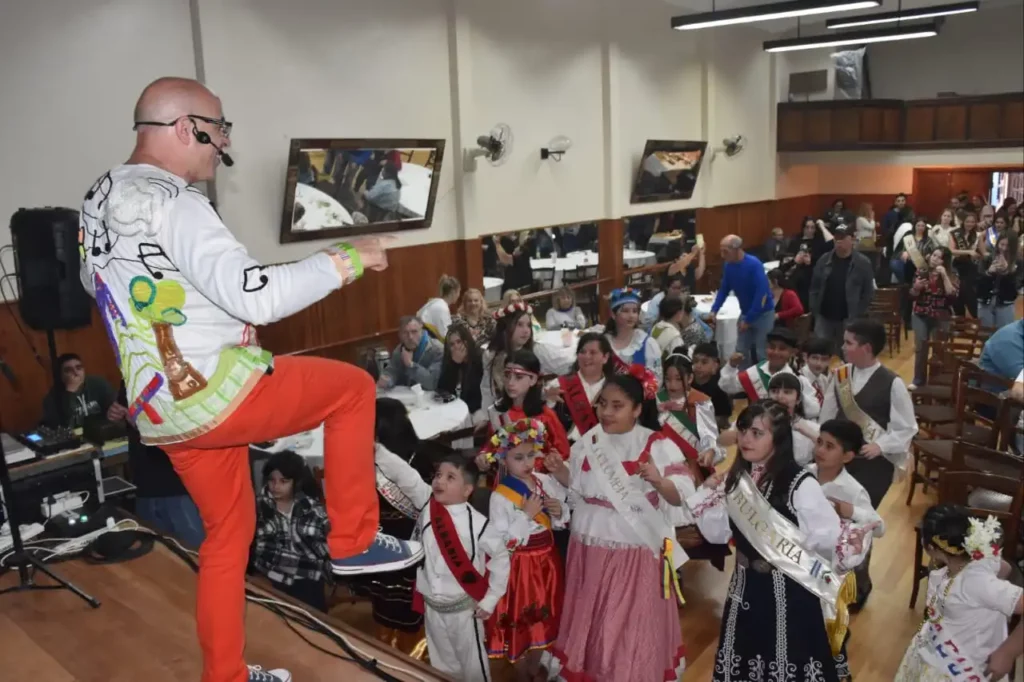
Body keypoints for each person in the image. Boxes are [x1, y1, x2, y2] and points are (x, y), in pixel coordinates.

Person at [81, 77, 421, 682]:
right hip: (215, 392)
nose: (224, 145)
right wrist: (349, 257)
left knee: (228, 536)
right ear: (187, 129)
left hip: (160, 412)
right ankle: (352, 540)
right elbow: (254, 296)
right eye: (220, 130)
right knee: (353, 390)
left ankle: (227, 677)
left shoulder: (99, 196)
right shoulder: (179, 202)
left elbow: (101, 290)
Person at [685, 401, 873, 682]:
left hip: (790, 592)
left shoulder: (800, 482)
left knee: (788, 659)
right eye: (744, 430)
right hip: (745, 588)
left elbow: (827, 539)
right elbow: (717, 531)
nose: (746, 439)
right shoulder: (738, 477)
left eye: (757, 433)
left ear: (779, 438)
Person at [544, 371, 691, 682]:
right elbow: (582, 488)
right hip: (588, 543)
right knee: (592, 615)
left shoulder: (657, 444)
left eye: (617, 406)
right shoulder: (589, 442)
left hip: (633, 548)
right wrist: (561, 473)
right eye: (603, 405)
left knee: (625, 620)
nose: (607, 413)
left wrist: (659, 481)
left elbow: (681, 497)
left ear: (637, 409)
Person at [373, 447, 511, 682]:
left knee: (473, 668)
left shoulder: (479, 526)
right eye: (438, 475)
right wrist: (376, 451)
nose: (439, 481)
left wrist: (490, 599)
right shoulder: (428, 506)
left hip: (464, 611)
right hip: (433, 608)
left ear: (467, 490)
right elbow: (406, 476)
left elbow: (500, 559)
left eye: (450, 477)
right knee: (442, 666)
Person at [349, 398, 454, 652]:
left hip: (414, 540)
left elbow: (435, 502)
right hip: (382, 539)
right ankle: (386, 641)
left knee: (411, 601)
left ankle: (415, 648)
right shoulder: (364, 456)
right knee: (384, 598)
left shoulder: (427, 458)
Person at [894, 504, 1024, 682]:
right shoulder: (967, 565)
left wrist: (1008, 653)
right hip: (938, 651)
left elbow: (998, 575)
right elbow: (1005, 569)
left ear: (931, 547)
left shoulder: (975, 582)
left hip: (966, 668)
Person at [484, 419, 569, 679]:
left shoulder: (545, 480)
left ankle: (536, 663)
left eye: (531, 455)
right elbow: (501, 542)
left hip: (547, 561)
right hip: (520, 567)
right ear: (504, 460)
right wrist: (526, 516)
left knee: (546, 613)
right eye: (518, 457)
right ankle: (522, 670)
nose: (527, 462)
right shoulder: (500, 496)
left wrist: (559, 512)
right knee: (522, 618)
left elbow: (562, 514)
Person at [820, 319, 917, 511]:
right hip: (838, 458)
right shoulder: (840, 375)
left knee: (860, 516)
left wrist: (881, 445)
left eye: (848, 343)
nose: (842, 347)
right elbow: (826, 416)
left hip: (872, 463)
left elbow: (907, 427)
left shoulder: (893, 383)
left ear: (866, 348)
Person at [110, 383, 204, 547]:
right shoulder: (129, 378)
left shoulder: (175, 376)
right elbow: (125, 423)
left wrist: (142, 426)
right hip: (143, 485)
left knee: (193, 555)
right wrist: (115, 417)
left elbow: (186, 428)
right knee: (157, 556)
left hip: (176, 487)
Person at [809, 419, 885, 613]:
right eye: (819, 442)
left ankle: (860, 589)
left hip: (840, 561)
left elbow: (879, 528)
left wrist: (849, 511)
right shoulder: (804, 474)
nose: (820, 450)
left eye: (829, 446)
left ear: (847, 456)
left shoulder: (852, 490)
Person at [250, 451, 330, 612]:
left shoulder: (311, 508)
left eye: (283, 481)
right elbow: (255, 549)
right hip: (271, 578)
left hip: (307, 578)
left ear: (297, 482)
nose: (276, 486)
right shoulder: (257, 508)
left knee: (315, 618)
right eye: (272, 480)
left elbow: (324, 547)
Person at [478, 349, 570, 471]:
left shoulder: (545, 416)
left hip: (538, 480)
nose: (510, 383)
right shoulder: (498, 411)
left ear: (533, 380)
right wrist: (484, 456)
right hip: (504, 478)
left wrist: (542, 463)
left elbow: (563, 453)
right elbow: (491, 444)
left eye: (518, 377)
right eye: (507, 375)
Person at [720, 326, 821, 419]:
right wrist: (731, 366)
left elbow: (813, 411)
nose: (776, 352)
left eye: (782, 349)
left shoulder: (798, 380)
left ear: (793, 352)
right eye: (772, 347)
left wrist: (799, 394)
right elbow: (727, 387)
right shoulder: (754, 373)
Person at [709, 235, 775, 368]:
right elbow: (724, 289)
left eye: (725, 251)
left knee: (762, 351)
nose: (722, 255)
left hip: (763, 314)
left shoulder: (754, 265)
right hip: (745, 313)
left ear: (737, 249)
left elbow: (761, 295)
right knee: (740, 351)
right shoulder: (729, 265)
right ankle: (741, 381)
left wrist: (748, 320)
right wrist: (714, 310)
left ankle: (765, 382)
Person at [809, 227, 875, 353]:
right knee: (820, 352)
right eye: (836, 238)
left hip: (849, 319)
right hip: (824, 317)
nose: (839, 242)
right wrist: (814, 309)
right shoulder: (824, 260)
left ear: (852, 239)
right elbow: (814, 287)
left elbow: (868, 292)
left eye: (843, 238)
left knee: (847, 355)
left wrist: (858, 312)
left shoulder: (863, 263)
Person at [658, 353, 723, 474]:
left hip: (693, 469)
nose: (672, 385)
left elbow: (710, 438)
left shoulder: (701, 402)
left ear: (690, 378)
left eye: (678, 379)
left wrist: (710, 451)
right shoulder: (656, 401)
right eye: (668, 379)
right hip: (661, 465)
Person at [545, 332, 615, 443]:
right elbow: (545, 424)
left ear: (605, 357)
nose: (587, 357)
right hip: (564, 450)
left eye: (593, 353)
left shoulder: (614, 390)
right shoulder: (558, 385)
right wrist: (548, 402)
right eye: (582, 352)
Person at [909, 246, 959, 389]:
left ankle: (936, 380)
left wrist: (944, 276)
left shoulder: (952, 273)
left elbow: (953, 296)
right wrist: (916, 288)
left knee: (939, 349)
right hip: (920, 313)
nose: (934, 259)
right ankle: (918, 380)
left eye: (938, 257)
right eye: (933, 255)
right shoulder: (921, 271)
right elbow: (911, 295)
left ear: (945, 261)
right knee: (921, 347)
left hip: (941, 315)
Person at [40, 353, 116, 428]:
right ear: (61, 376)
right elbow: (63, 425)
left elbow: (115, 408)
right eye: (68, 370)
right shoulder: (52, 397)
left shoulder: (98, 384)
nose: (75, 373)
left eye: (79, 368)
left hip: (101, 431)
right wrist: (70, 392)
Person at [604, 287, 662, 383]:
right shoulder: (604, 342)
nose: (631, 315)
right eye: (625, 311)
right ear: (613, 315)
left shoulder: (647, 343)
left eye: (635, 311)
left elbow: (656, 381)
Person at [377, 316, 444, 390]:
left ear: (422, 331)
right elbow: (392, 371)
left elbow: (432, 383)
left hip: (430, 398)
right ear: (400, 335)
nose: (410, 337)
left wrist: (411, 365)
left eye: (414, 332)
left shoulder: (438, 350)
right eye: (405, 333)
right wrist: (387, 379)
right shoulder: (400, 349)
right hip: (407, 396)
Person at [435, 325, 485, 420]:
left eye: (459, 342)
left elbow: (477, 394)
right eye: (452, 344)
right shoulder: (450, 362)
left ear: (467, 341)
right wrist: (455, 365)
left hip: (477, 409)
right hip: (455, 408)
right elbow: (443, 390)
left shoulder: (480, 359)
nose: (456, 347)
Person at [978, 231, 1020, 329]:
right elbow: (977, 284)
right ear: (997, 243)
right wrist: (988, 273)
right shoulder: (987, 259)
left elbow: (1016, 288)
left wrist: (1007, 272)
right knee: (985, 335)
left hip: (1005, 304)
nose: (1004, 248)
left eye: (1008, 246)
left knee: (1004, 334)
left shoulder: (1019, 262)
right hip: (985, 302)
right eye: (1002, 244)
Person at [690, 342, 733, 431]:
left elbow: (724, 419)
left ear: (715, 365)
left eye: (704, 362)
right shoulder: (688, 382)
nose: (698, 365)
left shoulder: (720, 386)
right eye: (695, 361)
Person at [949, 211, 981, 319]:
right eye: (968, 221)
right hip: (957, 267)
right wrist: (968, 252)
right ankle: (960, 319)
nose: (970, 224)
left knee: (967, 292)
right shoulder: (954, 233)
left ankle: (975, 317)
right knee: (958, 292)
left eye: (972, 222)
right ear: (963, 222)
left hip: (971, 268)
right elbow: (951, 250)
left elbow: (981, 252)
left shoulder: (978, 235)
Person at [417, 274, 461, 340]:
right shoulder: (442, 308)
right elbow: (445, 336)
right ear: (453, 292)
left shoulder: (434, 303)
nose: (458, 295)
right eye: (459, 292)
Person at [798, 337, 832, 408]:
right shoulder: (798, 379)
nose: (819, 363)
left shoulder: (824, 380)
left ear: (829, 361)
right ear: (805, 357)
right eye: (814, 358)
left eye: (824, 359)